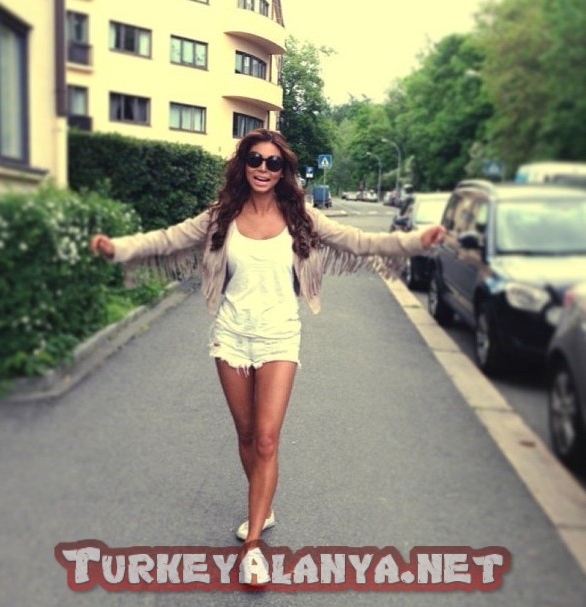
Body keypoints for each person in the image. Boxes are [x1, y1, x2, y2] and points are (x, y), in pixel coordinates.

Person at [90, 129, 445, 586]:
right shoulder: (221, 216)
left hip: (280, 337)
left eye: (273, 162)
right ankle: (264, 503)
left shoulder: (302, 218)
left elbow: (359, 242)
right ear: (243, 165)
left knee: (266, 439)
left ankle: (254, 546)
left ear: (284, 171)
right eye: (255, 159)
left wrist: (415, 242)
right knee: (245, 435)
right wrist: (118, 249)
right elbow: (167, 240)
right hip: (231, 337)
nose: (263, 168)